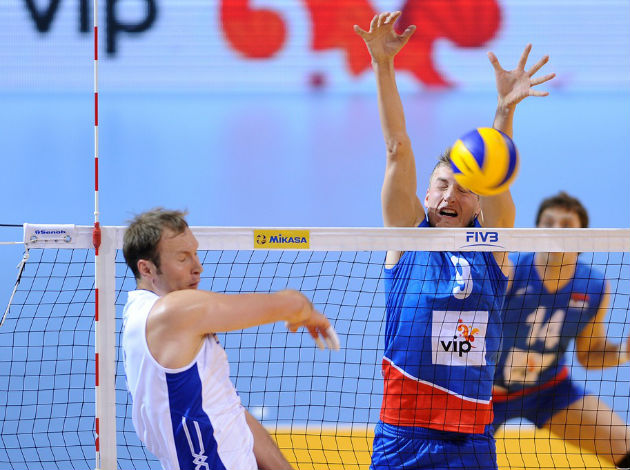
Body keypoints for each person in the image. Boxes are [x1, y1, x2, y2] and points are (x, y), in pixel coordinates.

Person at [353, 11, 555, 470]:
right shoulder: (408, 236)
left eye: (464, 190)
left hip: (471, 438)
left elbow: (494, 172)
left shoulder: (491, 248)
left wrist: (504, 111)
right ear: (426, 195)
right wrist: (383, 64)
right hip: (402, 436)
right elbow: (397, 147)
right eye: (441, 185)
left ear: (478, 204)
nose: (450, 196)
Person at [121, 208, 339, 470]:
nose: (197, 267)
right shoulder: (174, 313)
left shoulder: (141, 311)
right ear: (146, 268)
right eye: (182, 258)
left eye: (195, 253)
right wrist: (305, 311)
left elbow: (227, 408)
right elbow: (292, 304)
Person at [492, 192, 630, 469]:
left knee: (625, 446)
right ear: (536, 231)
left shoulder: (594, 287)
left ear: (582, 239)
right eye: (548, 222)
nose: (556, 230)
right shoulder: (509, 272)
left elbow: (589, 355)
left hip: (549, 390)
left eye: (567, 224)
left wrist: (624, 352)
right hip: (486, 395)